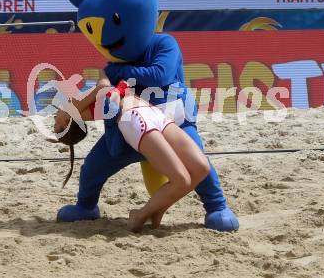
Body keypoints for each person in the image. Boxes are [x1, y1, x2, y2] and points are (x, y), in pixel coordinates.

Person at [54, 73, 210, 232]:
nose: (55, 116)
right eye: (55, 123)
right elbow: (103, 87)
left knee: (202, 168)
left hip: (150, 111)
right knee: (182, 179)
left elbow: (106, 88)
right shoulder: (72, 109)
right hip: (136, 119)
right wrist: (106, 73)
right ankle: (140, 215)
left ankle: (157, 211)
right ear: (65, 122)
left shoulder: (81, 110)